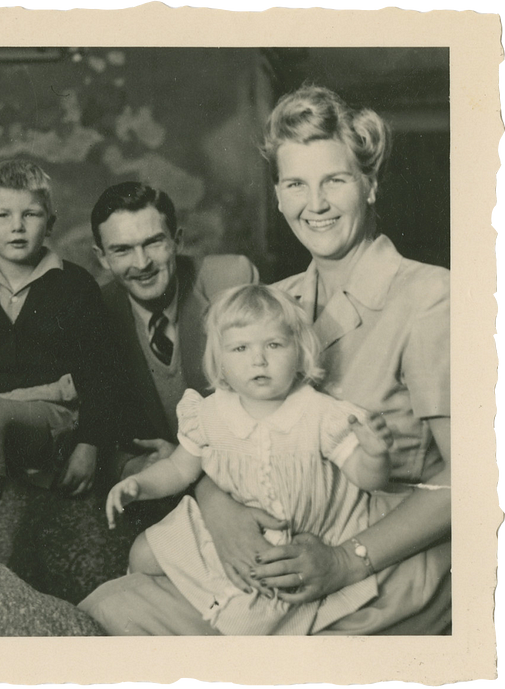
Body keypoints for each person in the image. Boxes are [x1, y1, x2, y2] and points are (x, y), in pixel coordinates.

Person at [77, 84, 451, 635]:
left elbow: (476, 479)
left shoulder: (429, 298)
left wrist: (347, 559)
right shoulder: (276, 303)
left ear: (370, 185)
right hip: (278, 559)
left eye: (336, 180)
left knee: (121, 620)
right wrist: (221, 512)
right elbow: (220, 434)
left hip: (384, 572)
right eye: (296, 183)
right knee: (109, 603)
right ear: (277, 196)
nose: (315, 204)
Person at [83, 284, 394, 635]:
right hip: (223, 521)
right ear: (221, 361)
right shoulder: (211, 412)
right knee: (142, 553)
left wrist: (375, 455)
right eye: (240, 348)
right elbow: (178, 468)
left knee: (249, 616)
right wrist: (139, 485)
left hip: (290, 536)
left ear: (300, 352)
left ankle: (217, 613)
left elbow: (367, 478)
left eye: (274, 345)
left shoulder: (321, 415)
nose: (258, 360)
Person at [0, 160, 122, 496]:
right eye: (3, 215)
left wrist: (89, 446)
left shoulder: (74, 285)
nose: (17, 226)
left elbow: (101, 374)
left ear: (50, 224)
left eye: (30, 214)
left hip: (61, 419)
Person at [90, 181, 258, 478]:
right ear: (102, 257)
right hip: (160, 486)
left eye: (154, 242)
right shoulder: (95, 312)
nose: (141, 263)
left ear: (177, 240)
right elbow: (95, 430)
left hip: (242, 469)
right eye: (122, 250)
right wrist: (132, 465)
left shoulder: (228, 281)